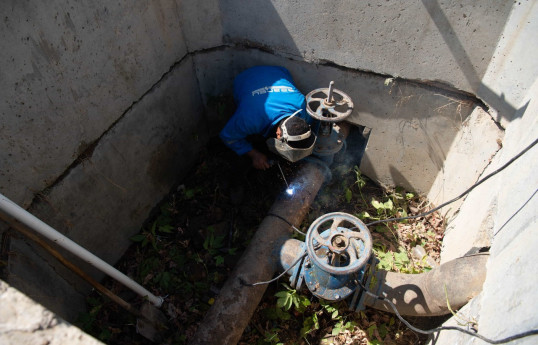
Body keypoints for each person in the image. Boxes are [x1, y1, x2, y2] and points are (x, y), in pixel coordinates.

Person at [220, 66, 316, 170]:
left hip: (278, 71)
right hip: (245, 78)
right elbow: (228, 136)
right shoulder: (249, 119)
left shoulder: (303, 106)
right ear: (278, 133)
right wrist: (254, 154)